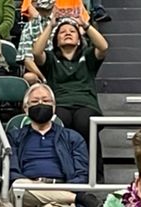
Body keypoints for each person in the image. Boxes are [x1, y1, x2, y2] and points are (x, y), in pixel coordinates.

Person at [7, 83, 91, 207]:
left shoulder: (72, 138)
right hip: (25, 193)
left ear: (54, 107)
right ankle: (79, 200)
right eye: (35, 102)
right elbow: (11, 172)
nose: (41, 104)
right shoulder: (15, 137)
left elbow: (81, 175)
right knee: (19, 185)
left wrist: (67, 191)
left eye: (45, 101)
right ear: (25, 109)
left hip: (61, 191)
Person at [31, 15, 108, 151]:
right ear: (56, 41)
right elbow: (37, 52)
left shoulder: (88, 56)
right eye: (62, 32)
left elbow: (103, 47)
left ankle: (93, 171)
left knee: (84, 122)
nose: (67, 33)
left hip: (86, 104)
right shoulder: (51, 59)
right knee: (60, 122)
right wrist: (51, 26)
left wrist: (85, 25)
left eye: (72, 31)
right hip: (61, 103)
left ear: (79, 40)